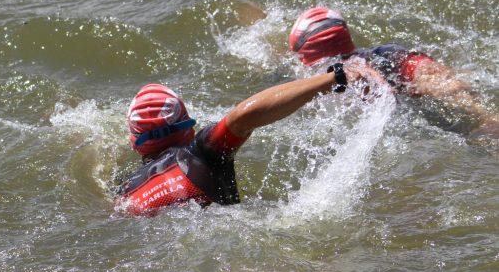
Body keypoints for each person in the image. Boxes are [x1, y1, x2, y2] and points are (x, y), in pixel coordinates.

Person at [116, 66, 366, 215]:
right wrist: (335, 78)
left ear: (134, 141)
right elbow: (244, 116)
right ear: (189, 127)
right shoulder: (201, 152)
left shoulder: (126, 188)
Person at [289, 7, 499, 136]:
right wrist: (481, 115)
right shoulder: (382, 56)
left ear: (304, 57)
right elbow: (430, 74)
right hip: (415, 112)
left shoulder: (312, 82)